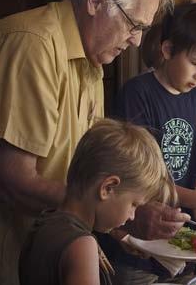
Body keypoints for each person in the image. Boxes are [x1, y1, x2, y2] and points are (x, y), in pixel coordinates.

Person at [0, 0, 173, 284]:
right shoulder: (31, 44)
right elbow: (11, 181)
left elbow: (89, 174)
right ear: (95, 1)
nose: (136, 42)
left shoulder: (91, 65)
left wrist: (122, 222)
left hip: (33, 254)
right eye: (134, 25)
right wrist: (122, 215)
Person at [106, 1, 196, 284]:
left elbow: (189, 174)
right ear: (167, 51)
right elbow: (142, 180)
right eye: (195, 63)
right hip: (138, 243)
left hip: (180, 239)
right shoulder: (137, 94)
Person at [19, 118, 177, 285]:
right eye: (134, 205)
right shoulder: (81, 246)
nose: (132, 216)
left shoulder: (45, 223)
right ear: (107, 188)